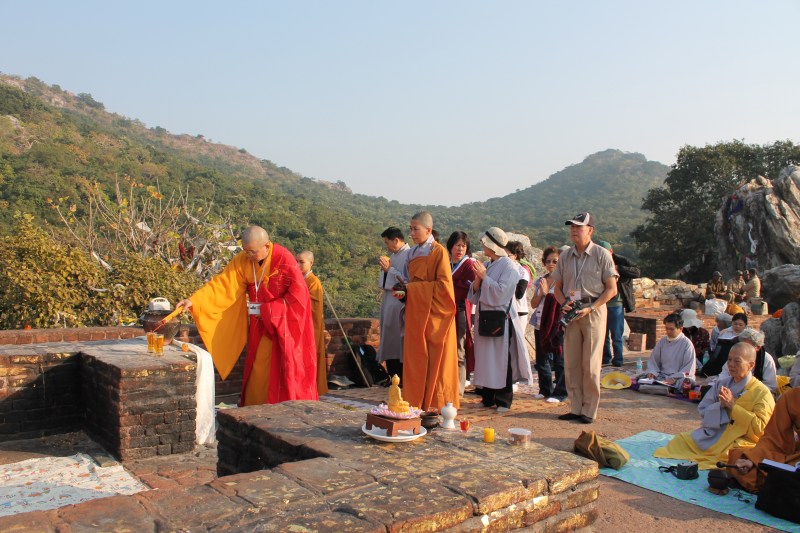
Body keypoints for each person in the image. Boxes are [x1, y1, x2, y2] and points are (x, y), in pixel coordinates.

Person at [177, 226, 318, 406]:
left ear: (266, 246)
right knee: (257, 368)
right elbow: (222, 285)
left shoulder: (284, 260)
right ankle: (254, 408)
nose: (249, 255)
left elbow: (299, 298)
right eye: (246, 251)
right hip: (258, 326)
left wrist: (270, 311)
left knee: (281, 369)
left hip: (281, 327)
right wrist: (194, 301)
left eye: (253, 251)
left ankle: (281, 409)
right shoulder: (243, 260)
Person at [654, 343, 775, 469]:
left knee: (734, 457)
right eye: (729, 359)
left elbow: (761, 429)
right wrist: (720, 406)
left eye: (737, 361)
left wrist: (733, 406)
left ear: (751, 365)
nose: (731, 364)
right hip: (715, 434)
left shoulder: (762, 393)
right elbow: (703, 409)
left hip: (739, 440)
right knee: (680, 440)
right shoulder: (722, 384)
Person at [551, 212, 618, 424]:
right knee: (571, 362)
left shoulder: (601, 254)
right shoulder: (565, 256)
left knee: (590, 363)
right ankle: (575, 407)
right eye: (572, 226)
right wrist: (563, 303)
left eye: (579, 227)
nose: (574, 230)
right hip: (571, 311)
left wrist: (592, 308)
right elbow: (556, 287)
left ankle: (589, 410)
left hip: (593, 310)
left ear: (590, 230)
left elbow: (612, 289)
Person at [394, 212, 459, 410]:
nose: (412, 233)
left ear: (428, 230)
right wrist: (404, 291)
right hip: (416, 313)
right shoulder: (412, 253)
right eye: (411, 229)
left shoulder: (438, 252)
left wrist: (412, 289)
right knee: (415, 359)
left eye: (416, 229)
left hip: (434, 316)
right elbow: (410, 282)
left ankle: (436, 404)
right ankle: (414, 401)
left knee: (435, 361)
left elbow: (444, 287)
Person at [468, 227, 533, 411]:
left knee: (501, 359)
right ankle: (488, 397)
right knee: (485, 359)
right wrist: (478, 281)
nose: (482, 246)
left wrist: (484, 277)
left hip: (500, 319)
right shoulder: (488, 264)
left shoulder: (510, 267)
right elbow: (474, 295)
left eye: (484, 243)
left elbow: (501, 294)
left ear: (492, 245)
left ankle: (503, 399)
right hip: (484, 317)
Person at [728, 387, 800, 492]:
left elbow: (758, 427)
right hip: (795, 460)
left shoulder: (763, 392)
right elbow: (774, 438)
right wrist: (754, 460)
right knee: (737, 458)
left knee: (785, 478)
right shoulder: (793, 395)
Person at [530, 246, 567, 403]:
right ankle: (545, 389)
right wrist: (542, 293)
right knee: (542, 358)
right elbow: (533, 303)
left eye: (555, 261)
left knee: (559, 358)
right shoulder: (542, 280)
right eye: (548, 261)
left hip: (556, 323)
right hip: (541, 322)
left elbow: (566, 300)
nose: (551, 264)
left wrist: (549, 294)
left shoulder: (564, 280)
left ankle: (561, 391)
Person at [597, 241, 640, 367]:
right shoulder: (596, 262)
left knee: (616, 333)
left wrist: (618, 268)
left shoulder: (621, 261)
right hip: (601, 302)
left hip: (616, 303)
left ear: (611, 252)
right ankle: (606, 357)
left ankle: (618, 359)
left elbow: (636, 272)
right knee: (603, 333)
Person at [377, 227, 411, 381]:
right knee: (390, 342)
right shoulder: (394, 255)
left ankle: (401, 379)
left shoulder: (409, 255)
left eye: (387, 242)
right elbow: (385, 282)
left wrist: (389, 270)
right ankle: (393, 378)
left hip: (399, 306)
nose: (387, 246)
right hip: (389, 303)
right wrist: (386, 271)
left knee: (399, 343)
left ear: (396, 240)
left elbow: (407, 281)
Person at [447, 231, 476, 397]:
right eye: (457, 245)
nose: (460, 249)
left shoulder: (468, 264)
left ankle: (458, 389)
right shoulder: (446, 263)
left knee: (459, 349)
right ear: (451, 246)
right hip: (445, 312)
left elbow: (471, 287)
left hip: (460, 311)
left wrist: (455, 284)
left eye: (463, 246)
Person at [297, 250, 328, 396]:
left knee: (311, 357)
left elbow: (310, 306)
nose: (298, 265)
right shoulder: (300, 279)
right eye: (296, 261)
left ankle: (312, 388)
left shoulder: (313, 282)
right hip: (300, 325)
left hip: (311, 326)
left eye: (301, 262)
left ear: (311, 263)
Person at [637, 313, 696, 388]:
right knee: (642, 378)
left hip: (678, 377)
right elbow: (653, 360)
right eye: (666, 328)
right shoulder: (662, 341)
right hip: (663, 376)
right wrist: (652, 372)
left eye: (671, 329)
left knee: (687, 382)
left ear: (681, 329)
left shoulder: (687, 344)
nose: (668, 332)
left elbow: (689, 368)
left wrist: (674, 378)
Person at [719, 328, 778, 394]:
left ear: (758, 347)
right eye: (742, 344)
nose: (743, 348)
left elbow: (770, 386)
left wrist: (746, 393)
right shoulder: (735, 355)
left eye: (747, 346)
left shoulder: (766, 359)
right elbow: (723, 376)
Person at [505, 241, 532, 364]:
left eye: (508, 255)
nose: (505, 258)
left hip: (519, 312)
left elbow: (519, 294)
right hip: (506, 311)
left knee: (517, 345)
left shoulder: (522, 271)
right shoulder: (504, 269)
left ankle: (519, 372)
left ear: (515, 255)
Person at [700, 312, 748, 377]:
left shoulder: (747, 335)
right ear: (732, 323)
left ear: (745, 325)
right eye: (735, 324)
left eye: (740, 325)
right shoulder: (725, 332)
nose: (737, 326)